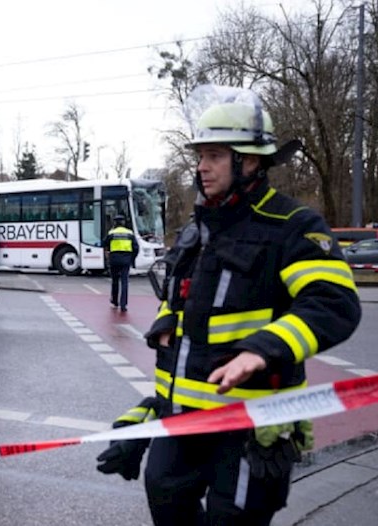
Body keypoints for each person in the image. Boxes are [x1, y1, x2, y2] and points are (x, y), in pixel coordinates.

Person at [96, 87, 361, 525]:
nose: (201, 166)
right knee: (165, 500)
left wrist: (262, 349)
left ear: (250, 161)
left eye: (215, 155)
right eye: (200, 155)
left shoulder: (292, 226)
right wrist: (146, 409)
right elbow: (185, 307)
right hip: (180, 419)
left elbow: (334, 303)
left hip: (249, 427)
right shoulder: (195, 229)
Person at [102, 214, 138, 312]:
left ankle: (114, 301)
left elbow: (103, 243)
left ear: (115, 223)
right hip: (126, 260)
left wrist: (108, 251)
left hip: (114, 259)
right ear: (123, 223)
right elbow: (136, 248)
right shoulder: (130, 233)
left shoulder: (111, 233)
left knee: (115, 281)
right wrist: (132, 259)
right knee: (124, 282)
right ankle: (123, 305)